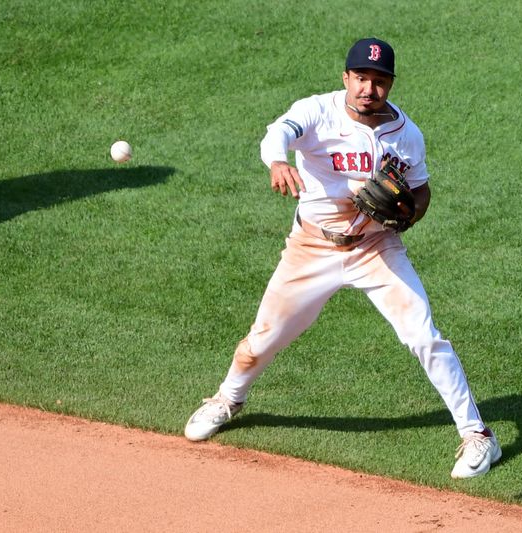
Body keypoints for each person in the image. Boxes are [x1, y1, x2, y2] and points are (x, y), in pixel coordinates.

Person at [184, 37, 501, 479]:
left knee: (424, 336)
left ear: (390, 84)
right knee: (264, 338)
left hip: (376, 248)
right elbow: (278, 133)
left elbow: (421, 188)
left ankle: (478, 436)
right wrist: (277, 162)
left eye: (379, 81)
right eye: (361, 78)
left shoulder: (406, 134)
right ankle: (227, 400)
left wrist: (408, 217)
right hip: (311, 247)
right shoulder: (317, 110)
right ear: (346, 78)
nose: (369, 89)